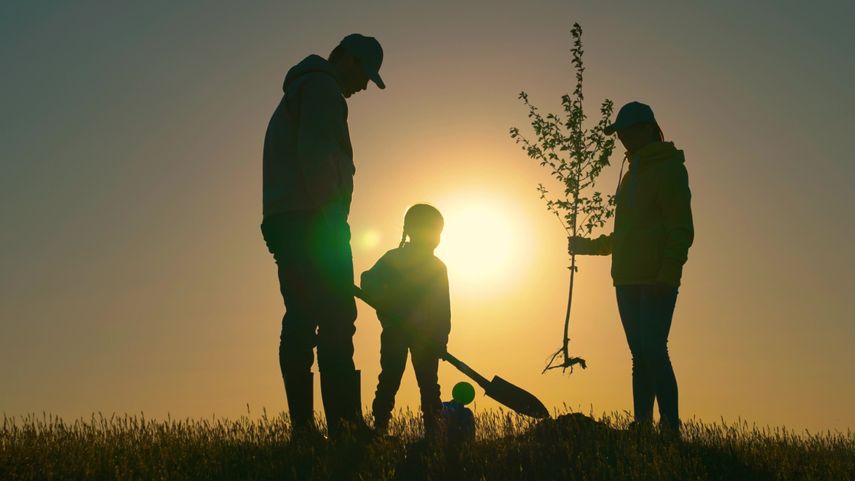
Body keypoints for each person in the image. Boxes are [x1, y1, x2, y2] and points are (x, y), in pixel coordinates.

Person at [260, 34, 385, 440]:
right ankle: (345, 426)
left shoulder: (303, 90)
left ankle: (307, 430)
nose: (364, 85)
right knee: (334, 319)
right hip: (315, 222)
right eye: (364, 74)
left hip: (290, 219)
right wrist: (332, 224)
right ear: (345, 59)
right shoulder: (321, 90)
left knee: (303, 317)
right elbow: (315, 155)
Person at [570, 101, 694, 433]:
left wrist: (667, 275)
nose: (621, 139)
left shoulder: (668, 169)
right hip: (625, 279)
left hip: (656, 279)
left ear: (646, 129)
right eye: (618, 133)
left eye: (626, 132)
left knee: (654, 349)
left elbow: (680, 229)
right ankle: (642, 425)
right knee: (640, 355)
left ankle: (670, 427)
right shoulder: (631, 173)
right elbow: (626, 234)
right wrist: (590, 247)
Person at [360, 204, 451, 438]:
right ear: (413, 231)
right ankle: (380, 427)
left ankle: (432, 431)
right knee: (391, 377)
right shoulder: (395, 259)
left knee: (428, 384)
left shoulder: (436, 267)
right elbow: (368, 280)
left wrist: (441, 338)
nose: (435, 238)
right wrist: (385, 303)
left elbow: (442, 308)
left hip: (426, 338)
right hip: (396, 331)